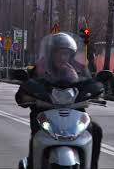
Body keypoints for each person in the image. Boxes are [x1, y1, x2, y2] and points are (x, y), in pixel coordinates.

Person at [15, 33, 102, 169]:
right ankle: (33, 164)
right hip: (44, 114)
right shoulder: (40, 69)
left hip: (75, 114)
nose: (62, 57)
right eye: (59, 53)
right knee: (37, 135)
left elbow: (90, 83)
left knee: (95, 130)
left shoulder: (78, 69)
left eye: (66, 54)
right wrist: (26, 96)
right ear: (51, 54)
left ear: (71, 55)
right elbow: (26, 88)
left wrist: (97, 91)